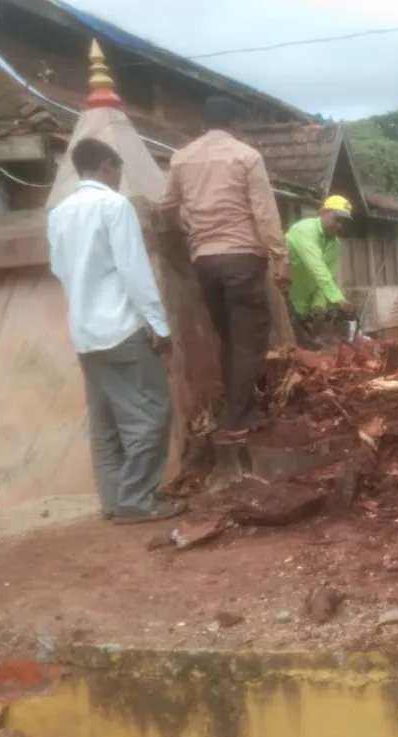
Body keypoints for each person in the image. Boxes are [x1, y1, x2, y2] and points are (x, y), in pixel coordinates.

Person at [47, 138, 183, 525]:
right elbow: (134, 271)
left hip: (85, 331)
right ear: (106, 164)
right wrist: (159, 324)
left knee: (105, 421)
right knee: (151, 412)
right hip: (122, 328)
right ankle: (137, 499)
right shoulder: (113, 205)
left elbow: (60, 269)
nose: (120, 176)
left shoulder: (59, 213)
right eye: (118, 168)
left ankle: (114, 499)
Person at [160, 96, 290, 441]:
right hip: (242, 258)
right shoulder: (246, 156)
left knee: (230, 338)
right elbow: (264, 211)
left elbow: (167, 205)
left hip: (205, 261)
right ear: (234, 124)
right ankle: (242, 417)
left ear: (204, 124)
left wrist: (190, 232)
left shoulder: (181, 159)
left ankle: (240, 406)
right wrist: (280, 257)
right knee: (250, 338)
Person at [284, 195, 354, 345]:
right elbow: (317, 268)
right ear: (323, 212)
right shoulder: (303, 230)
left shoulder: (335, 245)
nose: (339, 226)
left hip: (304, 310)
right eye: (337, 219)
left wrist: (318, 304)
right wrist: (337, 298)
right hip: (282, 301)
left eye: (343, 222)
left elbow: (328, 275)